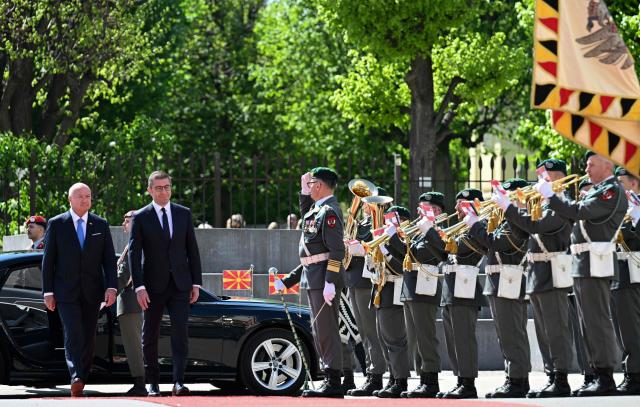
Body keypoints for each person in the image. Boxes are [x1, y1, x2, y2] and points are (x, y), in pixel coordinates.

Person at [537, 152, 627, 396]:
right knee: (587, 323)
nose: (586, 169)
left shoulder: (611, 190)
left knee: (597, 320)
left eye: (591, 164)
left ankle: (606, 377)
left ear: (608, 165)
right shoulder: (600, 189)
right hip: (583, 261)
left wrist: (550, 196)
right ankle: (598, 374)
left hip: (595, 260)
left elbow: (579, 211)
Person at [502, 159, 574, 398]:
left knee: (556, 329)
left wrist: (512, 210)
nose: (541, 180)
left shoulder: (561, 204)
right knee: (543, 331)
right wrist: (515, 209)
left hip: (553, 270)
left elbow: (540, 227)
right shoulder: (541, 204)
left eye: (547, 176)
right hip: (537, 271)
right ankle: (552, 376)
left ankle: (561, 379)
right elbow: (523, 233)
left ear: (558, 178)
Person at [129, 171, 203, 397]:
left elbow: (192, 249)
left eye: (167, 187)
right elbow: (134, 253)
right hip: (152, 286)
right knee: (149, 334)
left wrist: (196, 283)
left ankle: (178, 382)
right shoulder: (141, 217)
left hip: (180, 284)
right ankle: (153, 384)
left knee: (180, 333)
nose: (164, 191)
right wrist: (139, 287)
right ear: (150, 190)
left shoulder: (183, 214)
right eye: (159, 188)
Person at [41, 183, 117, 397]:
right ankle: (75, 375)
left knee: (88, 336)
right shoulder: (57, 224)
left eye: (88, 196)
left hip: (93, 292)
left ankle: (82, 375)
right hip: (65, 292)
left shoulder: (100, 224)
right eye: (80, 196)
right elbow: (48, 261)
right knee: (73, 332)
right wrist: (48, 292)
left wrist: (111, 287)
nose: (85, 200)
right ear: (70, 199)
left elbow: (109, 260)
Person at [275, 167, 345, 398]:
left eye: (311, 183)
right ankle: (330, 377)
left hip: (323, 279)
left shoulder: (330, 211)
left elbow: (336, 251)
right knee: (319, 330)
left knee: (326, 331)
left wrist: (331, 282)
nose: (308, 186)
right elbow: (310, 253)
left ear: (319, 185)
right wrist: (288, 281)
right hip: (313, 277)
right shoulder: (317, 210)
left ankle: (333, 381)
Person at [421, 188, 487, 399]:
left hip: (464, 287)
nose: (457, 207)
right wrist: (428, 234)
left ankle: (468, 384)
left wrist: (430, 231)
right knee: (453, 339)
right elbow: (443, 254)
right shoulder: (460, 228)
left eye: (463, 203)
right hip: (452, 286)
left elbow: (457, 250)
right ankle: (460, 380)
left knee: (463, 338)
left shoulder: (477, 227)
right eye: (458, 203)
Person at [471, 179, 531, 398]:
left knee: (513, 332)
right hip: (499, 281)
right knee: (505, 335)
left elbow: (496, 243)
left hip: (509, 280)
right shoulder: (504, 221)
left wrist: (475, 224)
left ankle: (518, 379)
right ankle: (513, 377)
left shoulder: (517, 222)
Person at [389, 192, 445, 398]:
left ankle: (431, 381)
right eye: (419, 207)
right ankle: (422, 378)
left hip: (424, 287)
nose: (419, 211)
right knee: (414, 338)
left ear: (437, 211)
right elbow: (406, 254)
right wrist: (391, 238)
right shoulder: (421, 231)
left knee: (425, 337)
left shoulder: (437, 231)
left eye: (426, 208)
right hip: (411, 287)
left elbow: (422, 254)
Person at [345, 190, 387, 396]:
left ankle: (376, 374)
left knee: (371, 331)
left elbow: (380, 249)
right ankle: (371, 373)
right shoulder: (360, 224)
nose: (363, 205)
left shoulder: (380, 224)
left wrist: (363, 250)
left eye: (367, 203)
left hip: (366, 280)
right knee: (362, 331)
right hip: (353, 278)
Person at [372, 206, 412, 398]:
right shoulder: (388, 239)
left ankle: (401, 380)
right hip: (382, 290)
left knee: (395, 340)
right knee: (384, 339)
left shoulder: (405, 241)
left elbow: (402, 267)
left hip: (395, 290)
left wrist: (386, 252)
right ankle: (393, 377)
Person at [611, 166, 640, 395]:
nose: (616, 186)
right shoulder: (619, 208)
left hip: (634, 269)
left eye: (621, 181)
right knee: (624, 328)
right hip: (621, 271)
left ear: (634, 182)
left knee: (631, 328)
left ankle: (635, 376)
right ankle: (631, 373)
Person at [117, 210, 147, 396]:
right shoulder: (134, 244)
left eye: (127, 221)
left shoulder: (135, 245)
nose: (123, 224)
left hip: (131, 304)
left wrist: (107, 292)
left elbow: (123, 276)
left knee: (134, 347)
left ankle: (140, 383)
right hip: (132, 303)